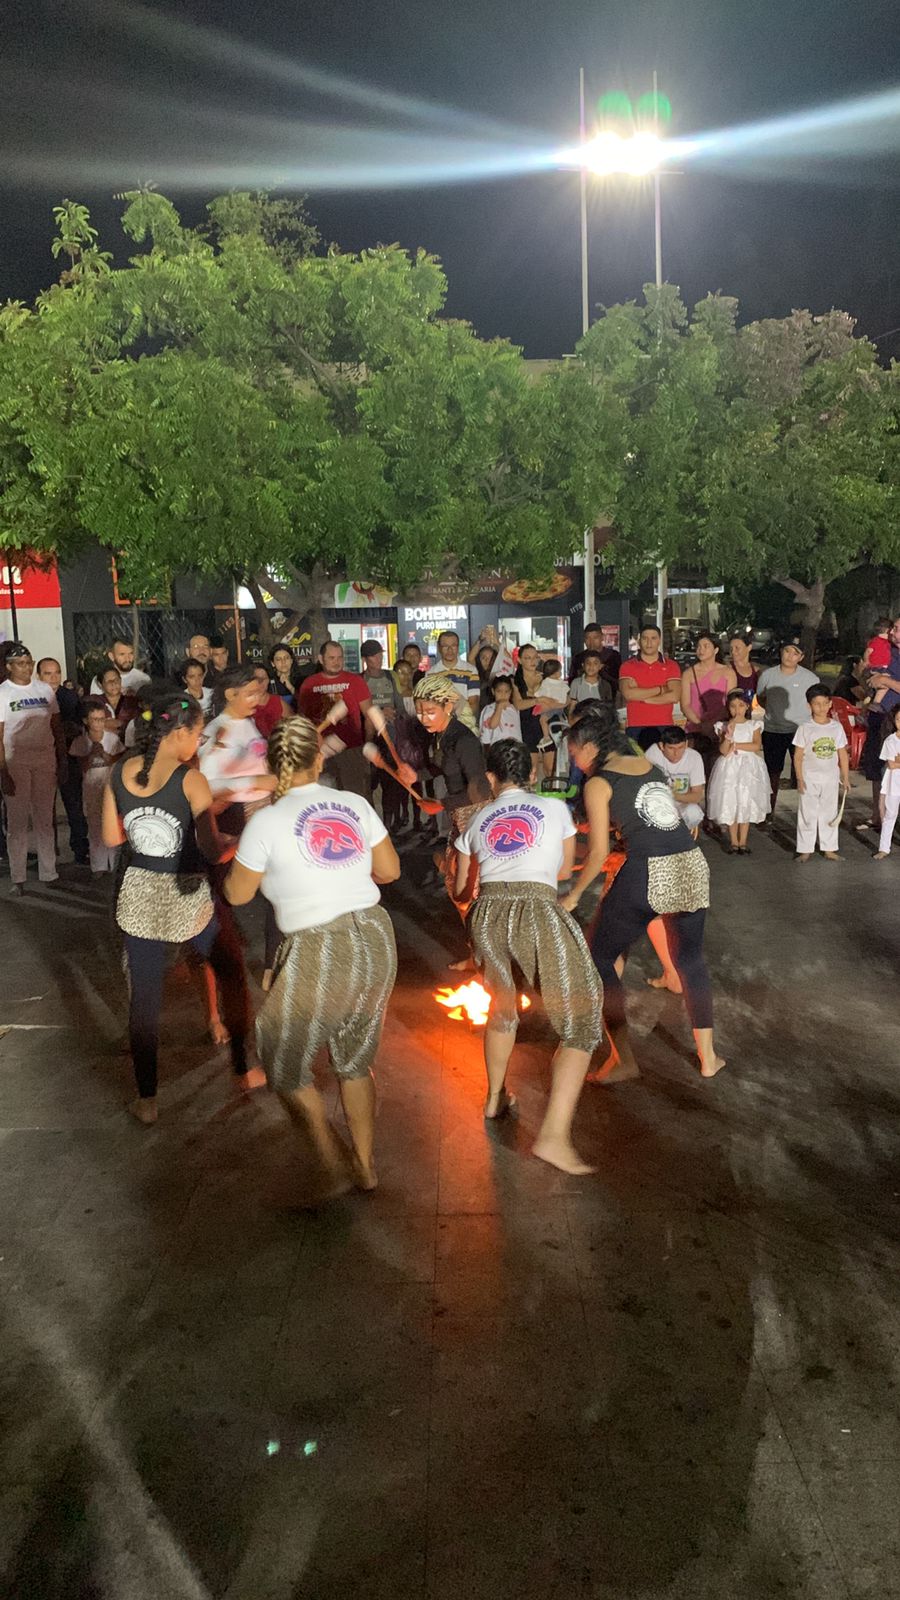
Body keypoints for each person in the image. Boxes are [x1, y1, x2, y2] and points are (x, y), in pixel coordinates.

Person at [225, 714, 400, 1196]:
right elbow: (389, 871)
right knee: (355, 1058)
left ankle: (331, 1158)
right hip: (375, 936)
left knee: (282, 1059)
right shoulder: (353, 804)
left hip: (320, 943)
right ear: (319, 760)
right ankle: (364, 1165)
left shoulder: (265, 821)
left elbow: (238, 895)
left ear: (273, 763)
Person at [101, 689, 259, 1124]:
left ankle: (147, 1100)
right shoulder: (190, 780)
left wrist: (144, 827)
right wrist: (240, 841)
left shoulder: (120, 771)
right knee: (231, 971)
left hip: (140, 893)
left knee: (144, 999)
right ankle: (243, 1069)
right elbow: (212, 852)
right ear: (180, 733)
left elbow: (112, 838)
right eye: (197, 734)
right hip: (187, 892)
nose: (198, 743)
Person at [455, 738, 603, 1175]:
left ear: (491, 778)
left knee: (502, 1010)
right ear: (533, 774)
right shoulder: (554, 808)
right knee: (581, 1019)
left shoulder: (476, 818)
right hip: (536, 909)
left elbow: (462, 889)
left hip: (485, 914)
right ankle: (553, 1137)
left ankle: (494, 1098)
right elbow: (563, 871)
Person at [564, 708, 724, 1083]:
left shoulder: (598, 783)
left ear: (588, 747)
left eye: (574, 754)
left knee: (598, 957)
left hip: (650, 871)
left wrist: (573, 895)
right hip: (691, 863)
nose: (574, 762)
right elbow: (650, 817)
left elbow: (599, 853)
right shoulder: (647, 766)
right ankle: (709, 1059)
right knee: (690, 960)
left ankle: (622, 1059)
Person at [401, 674, 489, 915]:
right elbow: (442, 766)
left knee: (469, 883)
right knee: (457, 877)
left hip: (475, 817)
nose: (423, 718)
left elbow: (480, 793)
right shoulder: (442, 735)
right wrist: (416, 776)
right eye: (420, 712)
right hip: (459, 813)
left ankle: (479, 926)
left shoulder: (464, 741)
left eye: (430, 712)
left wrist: (441, 803)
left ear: (448, 706)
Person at [0, 642, 66, 895]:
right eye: (20, 664)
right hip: (16, 760)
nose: (26, 668)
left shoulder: (44, 690)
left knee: (44, 818)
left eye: (29, 663)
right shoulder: (3, 693)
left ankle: (49, 872)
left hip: (44, 759)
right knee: (17, 821)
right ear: (9, 667)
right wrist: (3, 771)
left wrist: (61, 760)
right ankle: (18, 878)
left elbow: (56, 727)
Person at [297, 641, 374, 798]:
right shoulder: (309, 684)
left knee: (356, 797)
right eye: (331, 658)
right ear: (321, 659)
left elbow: (369, 716)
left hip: (351, 751)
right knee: (323, 798)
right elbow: (303, 720)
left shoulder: (355, 681)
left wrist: (367, 746)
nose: (336, 662)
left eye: (340, 657)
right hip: (319, 752)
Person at [37, 656, 89, 866]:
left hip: (68, 757)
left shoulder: (69, 697)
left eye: (57, 673)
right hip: (42, 758)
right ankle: (48, 851)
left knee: (74, 805)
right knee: (44, 808)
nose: (53, 678)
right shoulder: (33, 697)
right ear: (39, 676)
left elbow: (78, 727)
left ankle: (80, 849)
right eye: (48, 673)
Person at [756, 642, 820, 814]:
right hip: (773, 730)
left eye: (795, 653)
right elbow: (761, 697)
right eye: (787, 651)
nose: (790, 656)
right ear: (781, 652)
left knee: (804, 774)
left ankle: (808, 814)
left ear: (801, 657)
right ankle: (768, 812)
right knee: (772, 774)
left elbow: (816, 702)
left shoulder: (810, 678)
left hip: (800, 732)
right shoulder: (767, 675)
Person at [706, 690, 770, 854]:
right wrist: (729, 734)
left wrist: (737, 745)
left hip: (748, 767)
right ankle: (734, 842)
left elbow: (756, 746)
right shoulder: (723, 726)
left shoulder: (753, 725)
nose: (737, 710)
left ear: (747, 706)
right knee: (731, 801)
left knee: (745, 800)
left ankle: (743, 841)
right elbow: (723, 750)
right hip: (730, 768)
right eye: (733, 706)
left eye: (741, 705)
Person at [793, 684, 850, 862]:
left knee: (829, 813)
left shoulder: (836, 727)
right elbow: (798, 756)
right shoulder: (805, 728)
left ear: (830, 703)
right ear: (809, 705)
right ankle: (805, 849)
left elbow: (842, 754)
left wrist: (845, 777)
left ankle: (829, 848)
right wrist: (799, 778)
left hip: (830, 778)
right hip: (809, 778)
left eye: (825, 703)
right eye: (817, 704)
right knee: (807, 813)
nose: (822, 707)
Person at [69, 704, 123, 874]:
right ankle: (98, 866)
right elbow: (82, 767)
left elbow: (117, 761)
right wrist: (92, 753)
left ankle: (114, 864)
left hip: (109, 784)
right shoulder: (80, 741)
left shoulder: (112, 739)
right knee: (94, 825)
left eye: (102, 719)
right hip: (91, 785)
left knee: (112, 822)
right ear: (86, 721)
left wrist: (104, 754)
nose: (99, 723)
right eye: (95, 720)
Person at [618, 624, 682, 750]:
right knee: (636, 762)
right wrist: (661, 689)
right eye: (645, 638)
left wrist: (642, 698)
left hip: (664, 725)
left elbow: (674, 696)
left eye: (653, 638)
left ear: (659, 640)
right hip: (635, 726)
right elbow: (628, 694)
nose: (649, 643)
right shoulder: (627, 666)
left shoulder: (671, 666)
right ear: (639, 640)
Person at [680, 633, 736, 773]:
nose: (701, 650)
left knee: (718, 772)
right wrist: (701, 724)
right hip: (695, 729)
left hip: (720, 729)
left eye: (706, 646)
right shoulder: (688, 674)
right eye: (699, 646)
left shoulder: (728, 672)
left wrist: (713, 725)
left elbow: (731, 703)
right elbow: (685, 705)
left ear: (716, 650)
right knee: (695, 772)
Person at [646, 726, 706, 837]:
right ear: (661, 746)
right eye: (671, 748)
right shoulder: (653, 753)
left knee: (694, 813)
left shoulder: (694, 757)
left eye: (680, 748)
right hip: (658, 802)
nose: (676, 753)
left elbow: (697, 795)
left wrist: (674, 796)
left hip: (682, 802)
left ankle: (682, 836)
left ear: (686, 744)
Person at [426, 631, 480, 726]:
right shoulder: (431, 674)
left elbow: (474, 702)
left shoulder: (470, 670)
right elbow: (430, 703)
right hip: (440, 725)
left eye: (453, 646)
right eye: (445, 646)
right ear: (439, 648)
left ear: (458, 647)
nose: (450, 650)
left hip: (465, 725)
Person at [512, 643, 546, 778]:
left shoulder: (544, 677)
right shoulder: (515, 680)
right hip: (526, 724)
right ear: (520, 660)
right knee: (532, 768)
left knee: (550, 767)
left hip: (544, 721)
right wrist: (538, 700)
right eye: (528, 658)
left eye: (535, 657)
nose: (533, 661)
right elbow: (518, 704)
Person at [875, 703, 900, 859]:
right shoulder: (890, 741)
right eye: (898, 719)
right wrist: (896, 761)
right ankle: (884, 848)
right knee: (890, 815)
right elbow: (892, 764)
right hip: (894, 784)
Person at [360, 639, 404, 720]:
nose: (379, 659)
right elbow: (357, 712)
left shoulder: (392, 676)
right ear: (364, 659)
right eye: (374, 656)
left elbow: (401, 707)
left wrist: (393, 712)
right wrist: (379, 713)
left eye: (380, 655)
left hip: (392, 723)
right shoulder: (359, 680)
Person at [96, 665, 140, 739]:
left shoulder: (132, 702)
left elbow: (139, 724)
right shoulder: (95, 701)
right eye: (109, 681)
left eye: (116, 680)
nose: (114, 683)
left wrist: (118, 725)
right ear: (100, 684)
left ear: (120, 680)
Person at [567, 650, 613, 717]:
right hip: (580, 719)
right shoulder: (576, 683)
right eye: (588, 663)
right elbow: (572, 704)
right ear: (583, 665)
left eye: (595, 663)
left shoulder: (605, 685)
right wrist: (570, 719)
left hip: (598, 720)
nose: (591, 666)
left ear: (600, 666)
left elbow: (608, 706)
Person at [479, 675, 521, 745]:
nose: (503, 695)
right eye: (499, 691)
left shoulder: (514, 709)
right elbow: (492, 725)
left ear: (510, 692)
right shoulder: (489, 709)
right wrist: (499, 706)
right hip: (498, 747)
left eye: (506, 691)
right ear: (493, 691)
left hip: (515, 746)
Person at [861, 617, 892, 706]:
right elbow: (868, 651)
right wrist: (866, 661)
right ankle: (874, 700)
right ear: (887, 630)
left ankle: (871, 697)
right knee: (885, 683)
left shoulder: (886, 642)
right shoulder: (876, 641)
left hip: (881, 667)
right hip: (877, 667)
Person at [251, 663, 286, 741]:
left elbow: (293, 727)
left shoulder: (278, 702)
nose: (261, 682)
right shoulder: (245, 704)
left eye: (264, 678)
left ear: (268, 680)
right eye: (257, 679)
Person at [728, 634, 759, 704]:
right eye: (731, 649)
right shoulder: (728, 669)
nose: (733, 652)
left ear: (749, 647)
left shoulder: (756, 671)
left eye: (737, 648)